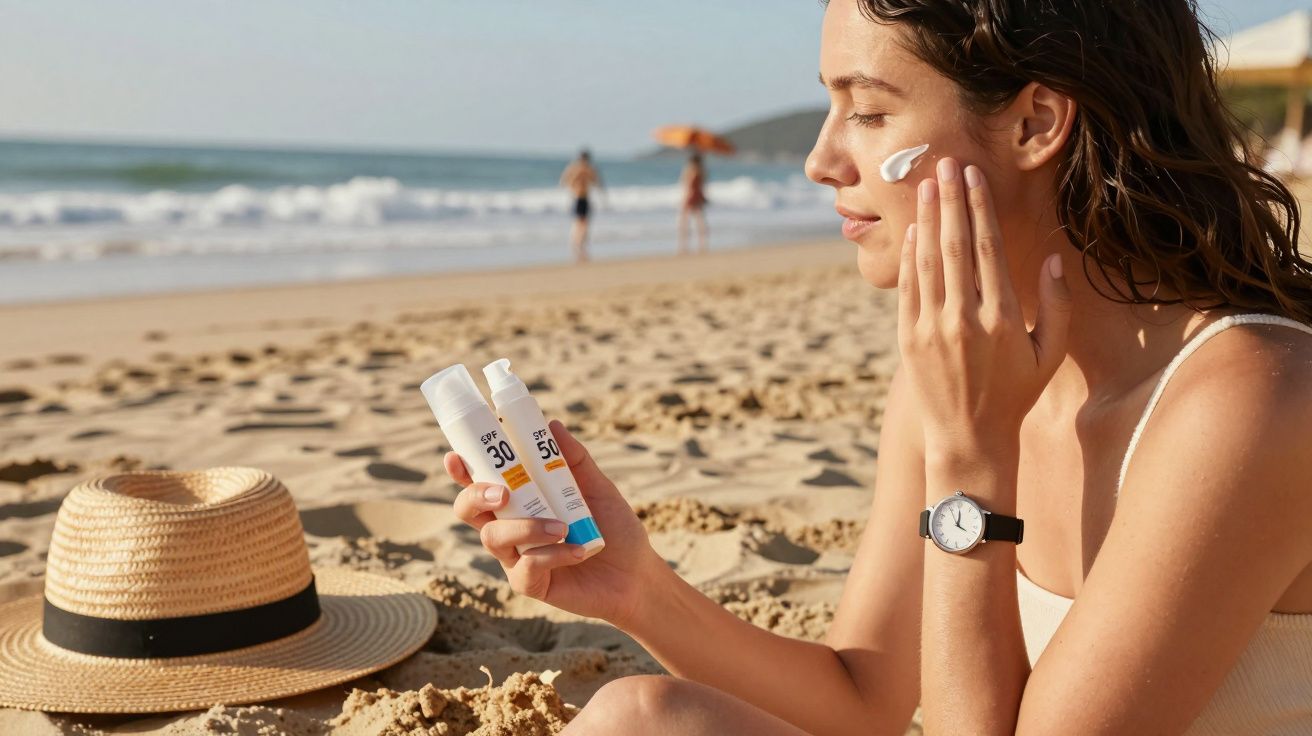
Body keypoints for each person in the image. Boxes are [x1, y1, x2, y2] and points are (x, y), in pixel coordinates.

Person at [445, 1, 1312, 733]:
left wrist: (973, 460)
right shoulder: (960, 374)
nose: (824, 161)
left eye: (867, 112)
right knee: (641, 717)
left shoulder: (1246, 400)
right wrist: (636, 590)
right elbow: (864, 704)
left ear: (1034, 123)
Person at [559, 149, 603, 263]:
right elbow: (564, 182)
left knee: (584, 223)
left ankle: (580, 245)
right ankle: (576, 244)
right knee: (580, 223)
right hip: (577, 198)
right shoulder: (574, 168)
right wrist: (576, 180)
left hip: (585, 198)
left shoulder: (589, 169)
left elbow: (597, 182)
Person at [677, 152, 709, 255]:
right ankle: (702, 244)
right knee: (699, 220)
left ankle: (684, 245)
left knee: (685, 222)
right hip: (698, 196)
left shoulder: (693, 171)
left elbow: (689, 185)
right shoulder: (701, 171)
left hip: (691, 197)